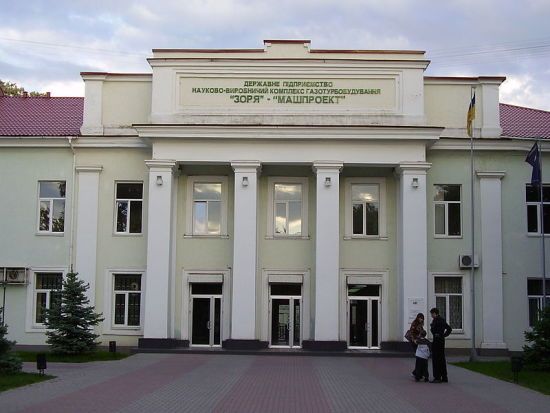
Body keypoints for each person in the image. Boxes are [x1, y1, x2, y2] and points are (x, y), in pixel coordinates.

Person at [429, 307, 452, 383]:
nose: (431, 315)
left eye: (432, 314)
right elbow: (449, 329)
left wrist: (441, 335)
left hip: (437, 341)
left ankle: (437, 377)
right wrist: (444, 335)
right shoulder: (442, 320)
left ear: (435, 313)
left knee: (436, 359)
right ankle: (444, 377)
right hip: (441, 341)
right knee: (442, 359)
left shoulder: (437, 320)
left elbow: (448, 329)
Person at [407, 313, 425, 378]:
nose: (421, 319)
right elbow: (411, 332)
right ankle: (417, 372)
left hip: (419, 342)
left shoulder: (421, 324)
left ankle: (418, 372)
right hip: (415, 342)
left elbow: (421, 332)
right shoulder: (414, 323)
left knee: (420, 357)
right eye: (420, 318)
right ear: (417, 318)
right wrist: (414, 340)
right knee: (419, 357)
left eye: (422, 318)